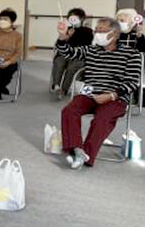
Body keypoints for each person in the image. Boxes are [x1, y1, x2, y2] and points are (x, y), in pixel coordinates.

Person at [57, 17, 140, 168]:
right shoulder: (91, 50)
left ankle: (86, 156)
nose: (97, 34)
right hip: (90, 93)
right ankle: (76, 149)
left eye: (101, 31)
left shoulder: (132, 54)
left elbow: (133, 82)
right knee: (69, 111)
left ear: (114, 33)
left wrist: (111, 95)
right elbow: (69, 53)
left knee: (102, 118)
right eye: (96, 31)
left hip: (116, 96)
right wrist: (63, 37)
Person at [50, 8, 93, 96]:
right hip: (64, 54)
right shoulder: (67, 29)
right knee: (59, 62)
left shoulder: (88, 31)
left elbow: (87, 46)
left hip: (79, 57)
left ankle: (64, 89)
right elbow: (58, 45)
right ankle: (56, 85)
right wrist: (67, 36)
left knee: (72, 67)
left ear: (82, 19)